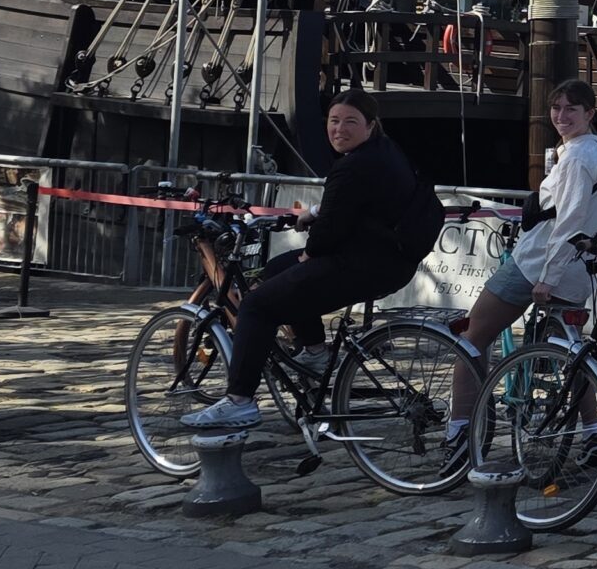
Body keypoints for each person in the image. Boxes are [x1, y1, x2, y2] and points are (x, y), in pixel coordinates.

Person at [183, 91, 441, 428]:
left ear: (370, 126)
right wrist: (313, 217)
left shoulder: (352, 166)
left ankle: (239, 400)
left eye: (350, 122)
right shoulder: (384, 152)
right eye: (334, 121)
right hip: (390, 261)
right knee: (279, 270)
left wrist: (310, 250)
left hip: (361, 264)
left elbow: (328, 234)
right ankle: (316, 352)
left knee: (258, 305)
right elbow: (352, 205)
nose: (339, 129)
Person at [448, 79, 597, 443]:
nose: (561, 115)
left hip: (538, 265)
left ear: (590, 113)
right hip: (577, 271)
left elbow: (570, 221)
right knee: (573, 360)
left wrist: (548, 277)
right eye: (556, 108)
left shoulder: (576, 157)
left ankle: (460, 429)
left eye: (571, 109)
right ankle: (592, 434)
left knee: (472, 337)